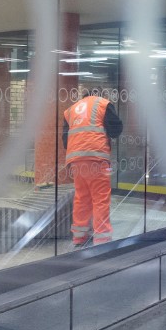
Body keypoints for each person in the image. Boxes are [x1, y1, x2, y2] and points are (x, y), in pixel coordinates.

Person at [62, 93, 123, 246]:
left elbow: (65, 140)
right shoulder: (102, 104)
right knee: (100, 199)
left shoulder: (71, 110)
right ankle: (101, 238)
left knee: (81, 198)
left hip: (76, 160)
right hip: (96, 157)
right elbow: (116, 129)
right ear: (98, 95)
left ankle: (79, 237)